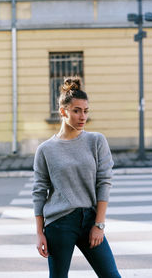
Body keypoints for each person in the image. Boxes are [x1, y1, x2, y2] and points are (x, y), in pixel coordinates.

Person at [32, 77, 121, 278]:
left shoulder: (96, 141)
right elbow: (39, 192)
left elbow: (104, 182)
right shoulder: (46, 149)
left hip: (90, 219)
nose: (83, 116)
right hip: (59, 223)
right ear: (63, 112)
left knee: (111, 275)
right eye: (76, 111)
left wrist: (99, 225)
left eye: (86, 111)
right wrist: (39, 233)